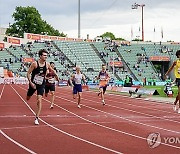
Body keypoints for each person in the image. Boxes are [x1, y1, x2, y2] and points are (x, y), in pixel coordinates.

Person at [26, 49, 58, 125]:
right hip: (33, 84)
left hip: (41, 84)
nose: (46, 57)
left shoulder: (47, 64)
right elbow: (28, 73)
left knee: (39, 100)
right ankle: (29, 93)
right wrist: (30, 82)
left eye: (46, 55)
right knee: (28, 98)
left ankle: (36, 118)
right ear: (40, 56)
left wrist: (56, 75)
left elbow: (52, 70)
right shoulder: (34, 64)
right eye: (44, 55)